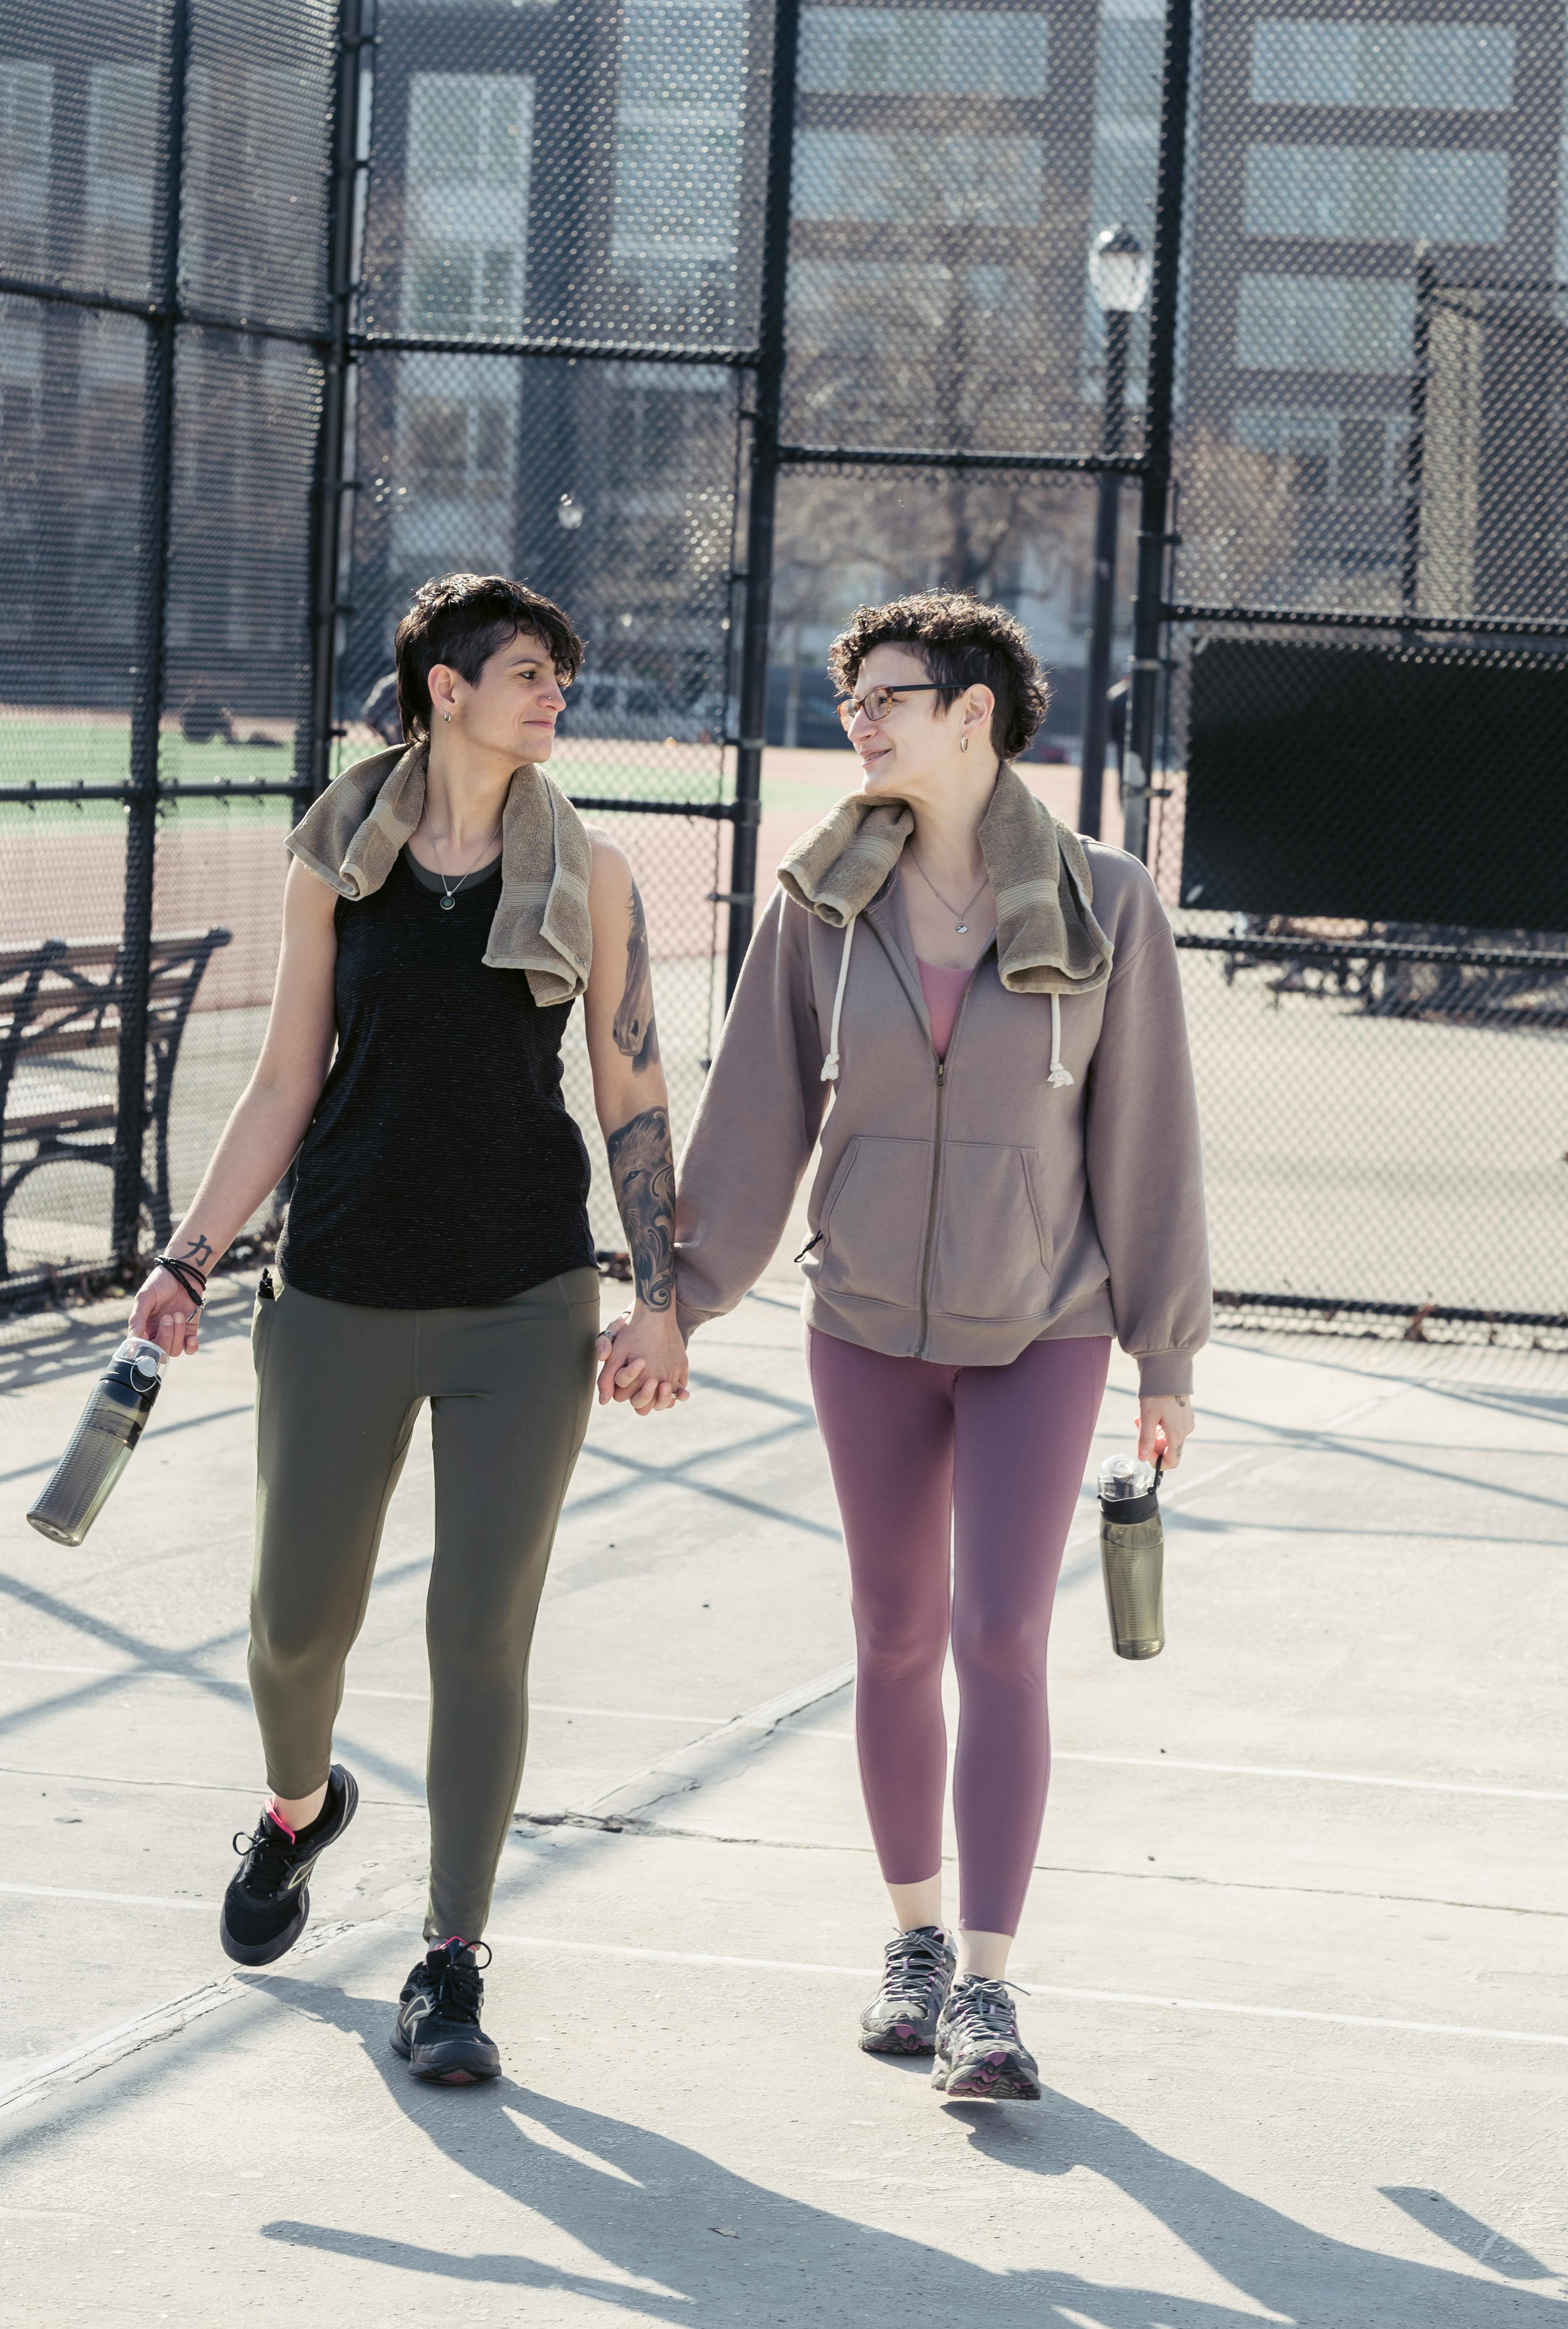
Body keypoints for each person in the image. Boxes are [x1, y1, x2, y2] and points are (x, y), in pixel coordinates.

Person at [128, 572, 689, 2086]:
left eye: (559, 673)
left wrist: (660, 1290)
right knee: (294, 1623)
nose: (555, 693)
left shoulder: (596, 871)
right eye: (527, 670)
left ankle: (451, 1963)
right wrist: (187, 1259)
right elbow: (282, 1084)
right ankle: (300, 1811)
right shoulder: (337, 857)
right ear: (445, 689)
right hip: (339, 1290)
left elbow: (633, 1091)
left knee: (478, 1631)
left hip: (525, 1301)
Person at [674, 591, 1208, 2102]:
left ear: (975, 714)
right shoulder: (820, 904)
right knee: (896, 1635)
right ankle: (910, 1944)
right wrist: (682, 1297)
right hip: (864, 1329)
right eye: (850, 698)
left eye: (888, 696)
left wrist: (1167, 1357)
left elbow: (1150, 1135)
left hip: (1045, 1328)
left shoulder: (1109, 901)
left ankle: (986, 1986)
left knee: (1003, 1640)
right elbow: (755, 1121)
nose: (860, 721)